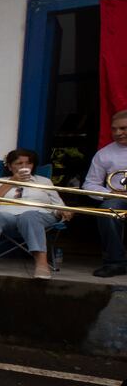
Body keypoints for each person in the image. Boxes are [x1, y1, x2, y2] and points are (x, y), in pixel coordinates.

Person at [0, 148, 72, 279]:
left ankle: (42, 264)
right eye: (19, 163)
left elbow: (58, 205)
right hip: (7, 216)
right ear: (10, 166)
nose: (24, 166)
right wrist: (11, 182)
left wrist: (63, 211)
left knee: (29, 215)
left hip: (38, 215)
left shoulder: (44, 182)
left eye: (29, 163)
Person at [83, 109, 127, 278]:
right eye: (114, 129)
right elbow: (90, 184)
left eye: (123, 128)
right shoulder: (104, 154)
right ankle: (115, 263)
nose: (118, 133)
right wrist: (109, 194)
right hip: (119, 198)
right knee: (107, 211)